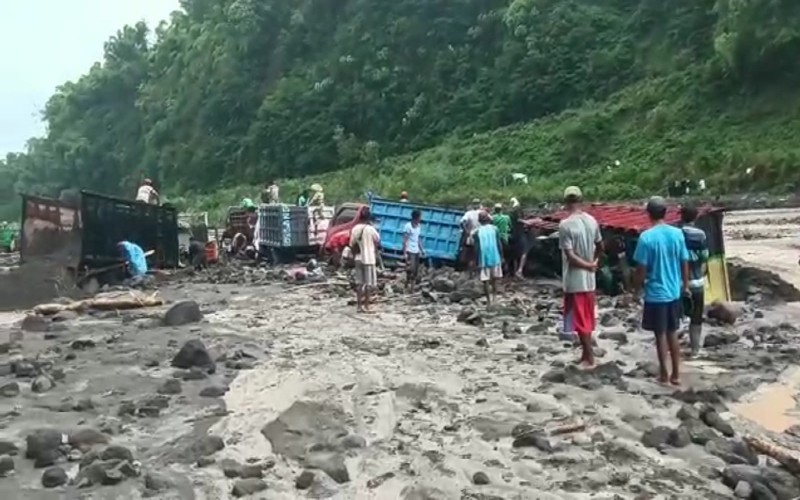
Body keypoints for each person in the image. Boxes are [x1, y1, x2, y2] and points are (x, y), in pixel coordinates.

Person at [632, 196, 690, 386]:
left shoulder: (646, 237)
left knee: (660, 335)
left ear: (648, 214)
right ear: (665, 213)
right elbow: (684, 261)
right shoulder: (677, 234)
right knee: (673, 332)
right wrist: (685, 285)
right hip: (673, 292)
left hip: (656, 294)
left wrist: (636, 290)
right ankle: (676, 375)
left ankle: (664, 375)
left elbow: (641, 269)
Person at [558, 186, 603, 367]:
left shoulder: (565, 225)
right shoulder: (592, 221)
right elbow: (600, 245)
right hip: (590, 280)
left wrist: (588, 264)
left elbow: (570, 256)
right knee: (587, 317)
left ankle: (589, 357)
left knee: (580, 320)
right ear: (581, 200)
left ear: (566, 202)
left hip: (575, 280)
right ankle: (585, 354)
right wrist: (594, 262)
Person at [680, 204, 708, 357]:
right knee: (696, 317)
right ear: (696, 217)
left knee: (678, 316)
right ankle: (695, 350)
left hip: (677, 283)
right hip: (697, 282)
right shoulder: (701, 235)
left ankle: (673, 348)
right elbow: (704, 257)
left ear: (681, 216)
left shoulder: (676, 234)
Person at [349, 210, 380, 313]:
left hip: (358, 258)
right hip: (369, 259)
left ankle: (359, 306)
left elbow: (351, 244)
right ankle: (366, 306)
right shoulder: (371, 229)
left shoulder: (355, 229)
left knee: (359, 284)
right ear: (368, 219)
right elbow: (377, 240)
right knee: (368, 284)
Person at [475, 212, 503, 304]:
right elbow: (499, 244)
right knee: (495, 278)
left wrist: (477, 261)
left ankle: (488, 301)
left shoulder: (477, 232)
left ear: (479, 221)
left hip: (483, 258)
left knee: (485, 280)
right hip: (495, 256)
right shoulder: (495, 229)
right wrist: (502, 256)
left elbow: (477, 248)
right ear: (488, 219)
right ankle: (495, 298)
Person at [403, 210, 424, 292]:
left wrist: (422, 249)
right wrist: (404, 253)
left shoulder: (419, 226)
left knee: (415, 269)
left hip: (416, 250)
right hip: (409, 250)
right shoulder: (408, 226)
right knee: (410, 269)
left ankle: (411, 287)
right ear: (416, 217)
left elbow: (418, 239)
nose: (420, 219)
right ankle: (407, 284)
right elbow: (405, 240)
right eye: (420, 217)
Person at [460, 199, 483, 274]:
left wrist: (466, 231)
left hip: (471, 236)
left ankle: (470, 271)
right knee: (479, 254)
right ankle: (477, 271)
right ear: (479, 204)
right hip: (481, 236)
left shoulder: (469, 213)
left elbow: (462, 222)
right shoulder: (483, 213)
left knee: (470, 254)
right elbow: (491, 220)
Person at [492, 203, 511, 272]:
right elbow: (510, 227)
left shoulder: (493, 217)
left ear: (495, 209)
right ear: (501, 209)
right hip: (505, 238)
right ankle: (506, 269)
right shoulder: (507, 217)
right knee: (506, 254)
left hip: (495, 238)